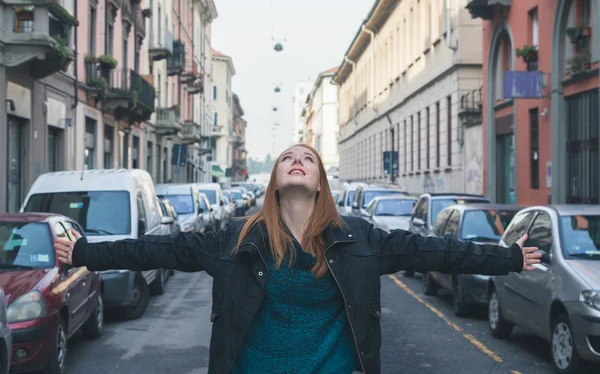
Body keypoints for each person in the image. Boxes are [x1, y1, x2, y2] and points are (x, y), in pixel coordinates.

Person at [56, 144, 541, 374]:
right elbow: (156, 248)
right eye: (288, 156)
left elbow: (436, 249)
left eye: (308, 157)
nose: (297, 160)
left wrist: (509, 258)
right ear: (274, 180)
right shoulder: (233, 238)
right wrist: (83, 251)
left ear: (320, 182)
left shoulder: (358, 238)